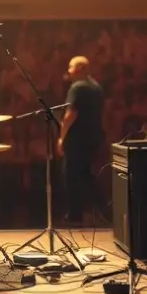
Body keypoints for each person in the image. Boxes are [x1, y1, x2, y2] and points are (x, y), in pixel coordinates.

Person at [57, 55, 105, 225]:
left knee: (71, 176)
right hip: (93, 138)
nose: (68, 71)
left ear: (79, 69)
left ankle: (74, 215)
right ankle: (100, 210)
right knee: (86, 175)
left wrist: (62, 138)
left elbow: (71, 114)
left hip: (76, 139)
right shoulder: (96, 87)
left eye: (71, 67)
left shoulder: (77, 87)